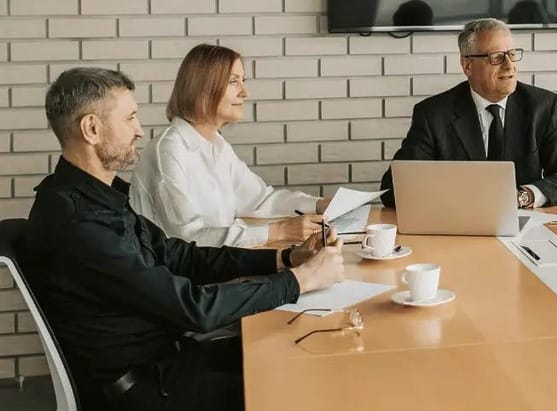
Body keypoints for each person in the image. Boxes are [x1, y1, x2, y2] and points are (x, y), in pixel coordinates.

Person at [22, 68, 347, 410]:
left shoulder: (98, 198)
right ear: (92, 128)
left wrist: (284, 260)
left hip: (170, 360)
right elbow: (194, 308)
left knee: (299, 352)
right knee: (303, 385)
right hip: (145, 387)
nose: (139, 131)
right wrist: (299, 281)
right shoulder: (79, 223)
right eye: (130, 118)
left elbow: (179, 256)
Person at [131, 44, 332, 247]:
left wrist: (318, 204)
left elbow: (260, 200)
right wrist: (279, 232)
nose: (245, 92)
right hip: (181, 276)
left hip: (215, 264)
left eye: (242, 81)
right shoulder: (168, 151)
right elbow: (189, 238)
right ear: (203, 87)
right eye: (233, 82)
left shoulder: (217, 144)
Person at [380, 18, 557, 208]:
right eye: (496, 57)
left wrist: (523, 197)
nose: (509, 66)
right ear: (467, 65)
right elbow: (394, 190)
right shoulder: (433, 114)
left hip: (523, 224)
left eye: (512, 54)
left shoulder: (543, 106)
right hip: (457, 225)